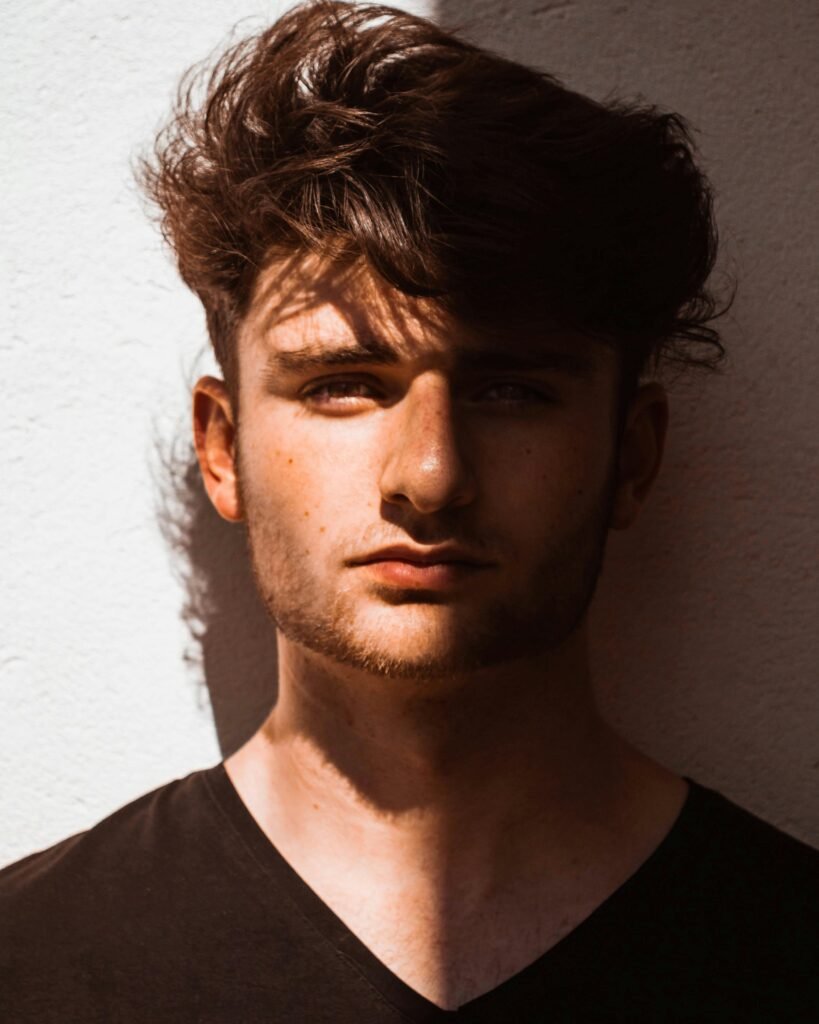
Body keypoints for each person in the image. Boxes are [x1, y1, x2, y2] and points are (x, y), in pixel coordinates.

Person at [2, 1, 817, 1020]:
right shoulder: (30, 961)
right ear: (224, 449)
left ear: (631, 456)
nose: (430, 476)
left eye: (511, 389)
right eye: (342, 383)